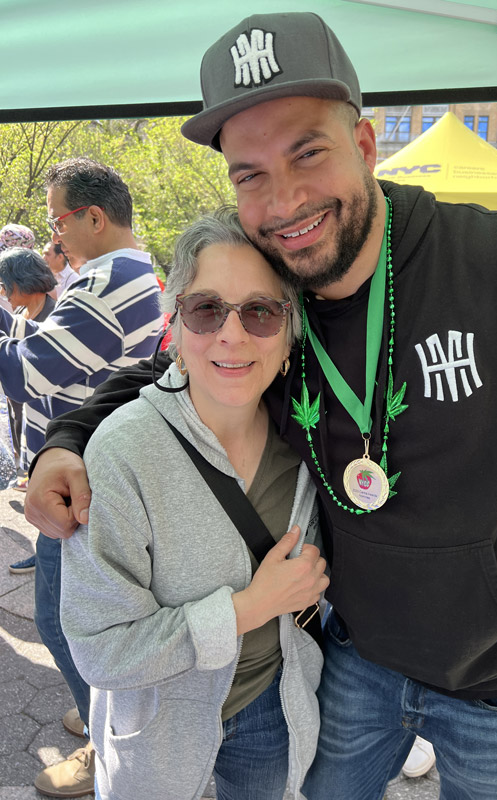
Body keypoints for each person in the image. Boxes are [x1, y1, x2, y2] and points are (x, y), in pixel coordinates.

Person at [25, 13, 497, 800]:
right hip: (356, 663)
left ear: (364, 147)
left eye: (308, 152)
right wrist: (64, 440)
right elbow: (169, 375)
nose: (284, 199)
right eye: (249, 173)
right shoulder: (273, 296)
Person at [60, 208, 326, 800]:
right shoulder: (122, 451)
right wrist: (248, 608)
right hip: (155, 724)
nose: (231, 334)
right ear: (175, 326)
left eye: (260, 311)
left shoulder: (308, 437)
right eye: (207, 310)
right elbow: (100, 649)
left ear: (290, 332)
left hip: (273, 708)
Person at [0, 157, 163, 798]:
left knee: (64, 622)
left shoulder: (104, 282)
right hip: (91, 470)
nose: (53, 238)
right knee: (83, 618)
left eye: (58, 222)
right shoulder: (126, 273)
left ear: (94, 216)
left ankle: (107, 742)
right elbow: (48, 348)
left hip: (80, 484)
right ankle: (98, 710)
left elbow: (26, 372)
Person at [0, 248, 57, 501]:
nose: (3, 293)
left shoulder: (54, 320)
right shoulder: (20, 315)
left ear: (22, 282)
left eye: (5, 285)